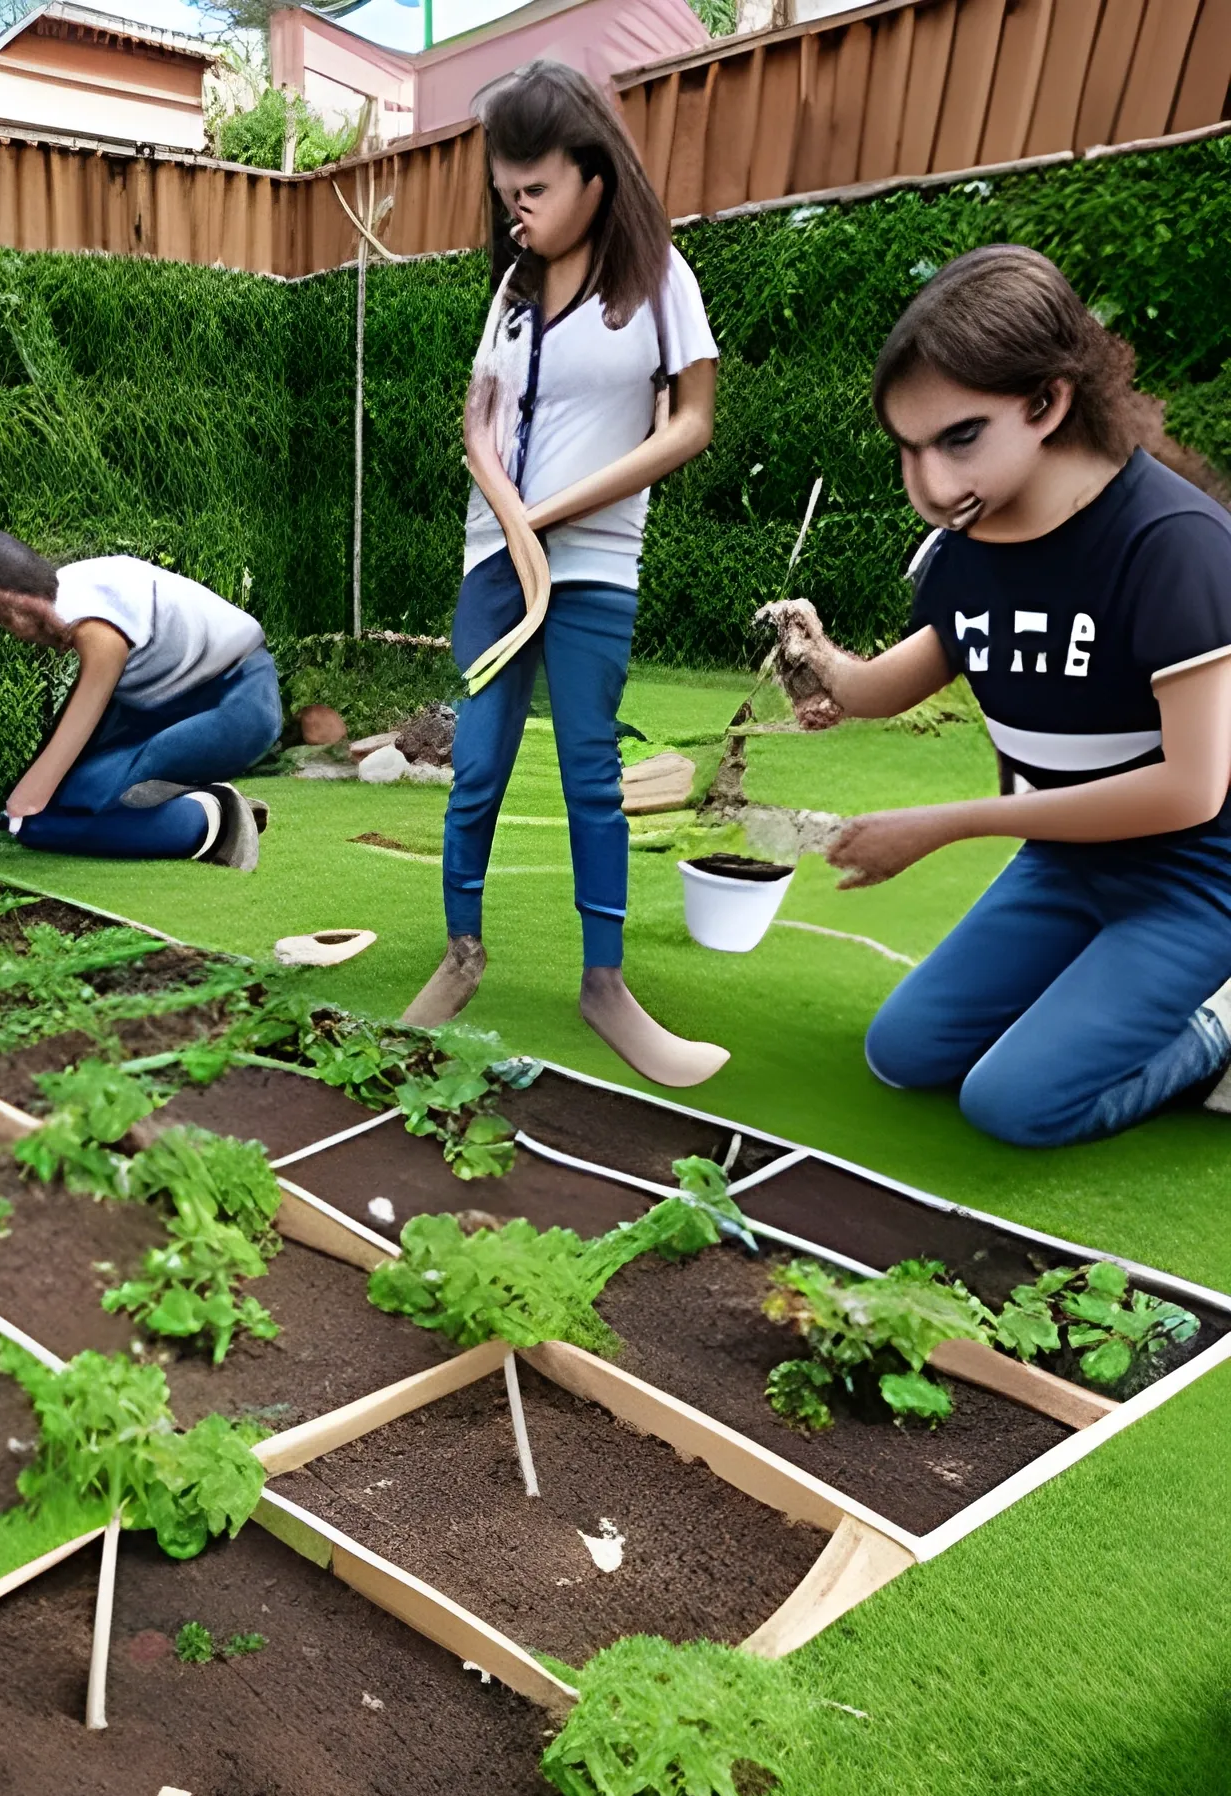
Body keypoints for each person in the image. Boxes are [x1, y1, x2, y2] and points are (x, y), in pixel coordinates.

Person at [761, 244, 1231, 1147]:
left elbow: (1191, 789)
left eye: (959, 438)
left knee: (1011, 1105)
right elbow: (881, 688)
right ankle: (1098, 995)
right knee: (903, 1053)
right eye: (909, 450)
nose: (930, 486)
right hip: (1065, 865)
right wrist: (816, 655)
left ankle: (1215, 1026)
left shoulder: (1171, 546)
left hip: (1195, 880)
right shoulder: (965, 551)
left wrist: (944, 823)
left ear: (1047, 401)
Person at [401, 60, 727, 1088]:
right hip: (494, 560)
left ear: (594, 176)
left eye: (534, 192)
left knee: (590, 768)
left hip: (591, 562)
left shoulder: (658, 279)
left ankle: (603, 985)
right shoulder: (506, 289)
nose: (517, 214)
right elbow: (476, 427)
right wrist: (509, 517)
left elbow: (691, 423)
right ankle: (461, 955)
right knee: (478, 765)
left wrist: (548, 514)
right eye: (506, 195)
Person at [0, 527, 279, 869]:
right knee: (74, 797)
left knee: (41, 825)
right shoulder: (72, 592)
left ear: (10, 604)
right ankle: (180, 801)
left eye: (0, 618)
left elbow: (83, 715)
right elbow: (77, 731)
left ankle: (213, 821)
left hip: (238, 703)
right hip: (165, 710)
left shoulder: (93, 623)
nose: (10, 631)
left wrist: (22, 807)